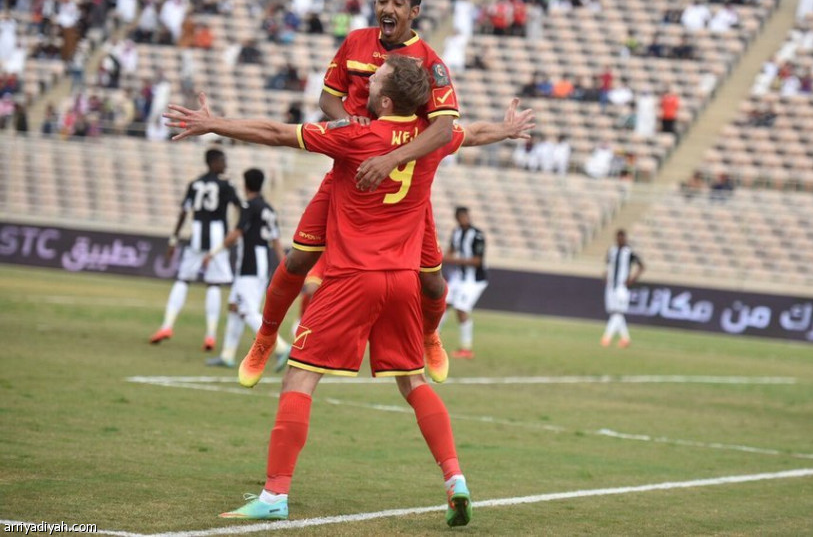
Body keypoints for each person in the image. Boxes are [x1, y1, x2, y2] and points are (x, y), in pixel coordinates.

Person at [164, 54, 534, 526]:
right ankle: (455, 480)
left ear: (385, 101)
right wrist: (506, 129)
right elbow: (473, 133)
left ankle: (275, 494)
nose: (367, 80)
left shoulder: (356, 135)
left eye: (375, 79)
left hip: (352, 279)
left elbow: (276, 133)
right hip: (403, 282)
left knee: (299, 378)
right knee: (413, 382)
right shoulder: (431, 139)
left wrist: (213, 124)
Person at [252, 0, 475, 386]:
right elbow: (327, 99)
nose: (388, 8)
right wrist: (351, 126)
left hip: (404, 191)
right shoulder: (355, 42)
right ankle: (265, 337)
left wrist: (390, 157)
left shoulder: (430, 62)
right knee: (298, 259)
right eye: (382, 0)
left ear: (414, 11)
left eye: (398, 2)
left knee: (431, 284)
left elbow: (445, 129)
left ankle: (429, 337)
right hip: (349, 173)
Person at [151, 148, 243, 351]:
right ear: (213, 162)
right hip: (217, 238)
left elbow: (183, 213)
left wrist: (173, 239)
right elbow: (240, 207)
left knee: (183, 279)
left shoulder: (195, 184)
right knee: (214, 284)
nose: (225, 164)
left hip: (197, 235)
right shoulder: (226, 184)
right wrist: (237, 230)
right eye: (222, 161)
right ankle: (210, 335)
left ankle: (167, 326)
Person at [205, 168, 292, 370]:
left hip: (249, 265)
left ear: (245, 185)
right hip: (262, 265)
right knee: (235, 306)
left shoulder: (248, 205)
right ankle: (227, 355)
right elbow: (276, 241)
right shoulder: (268, 209)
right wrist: (285, 267)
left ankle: (281, 347)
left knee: (247, 310)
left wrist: (213, 253)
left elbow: (236, 234)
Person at [441, 207, 488, 359]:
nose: (464, 219)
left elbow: (477, 261)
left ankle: (466, 348)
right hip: (459, 278)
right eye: (461, 216)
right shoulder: (457, 233)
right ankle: (430, 341)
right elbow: (450, 251)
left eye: (466, 216)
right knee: (442, 305)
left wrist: (451, 260)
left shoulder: (477, 235)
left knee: (461, 309)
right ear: (457, 218)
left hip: (474, 280)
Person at [601, 230, 644, 347]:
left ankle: (607, 338)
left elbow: (641, 266)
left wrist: (632, 279)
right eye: (618, 238)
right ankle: (625, 339)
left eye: (622, 238)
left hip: (622, 287)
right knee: (615, 313)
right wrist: (606, 275)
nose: (620, 240)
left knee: (618, 313)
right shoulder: (612, 251)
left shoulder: (629, 252)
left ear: (625, 238)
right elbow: (608, 265)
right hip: (611, 286)